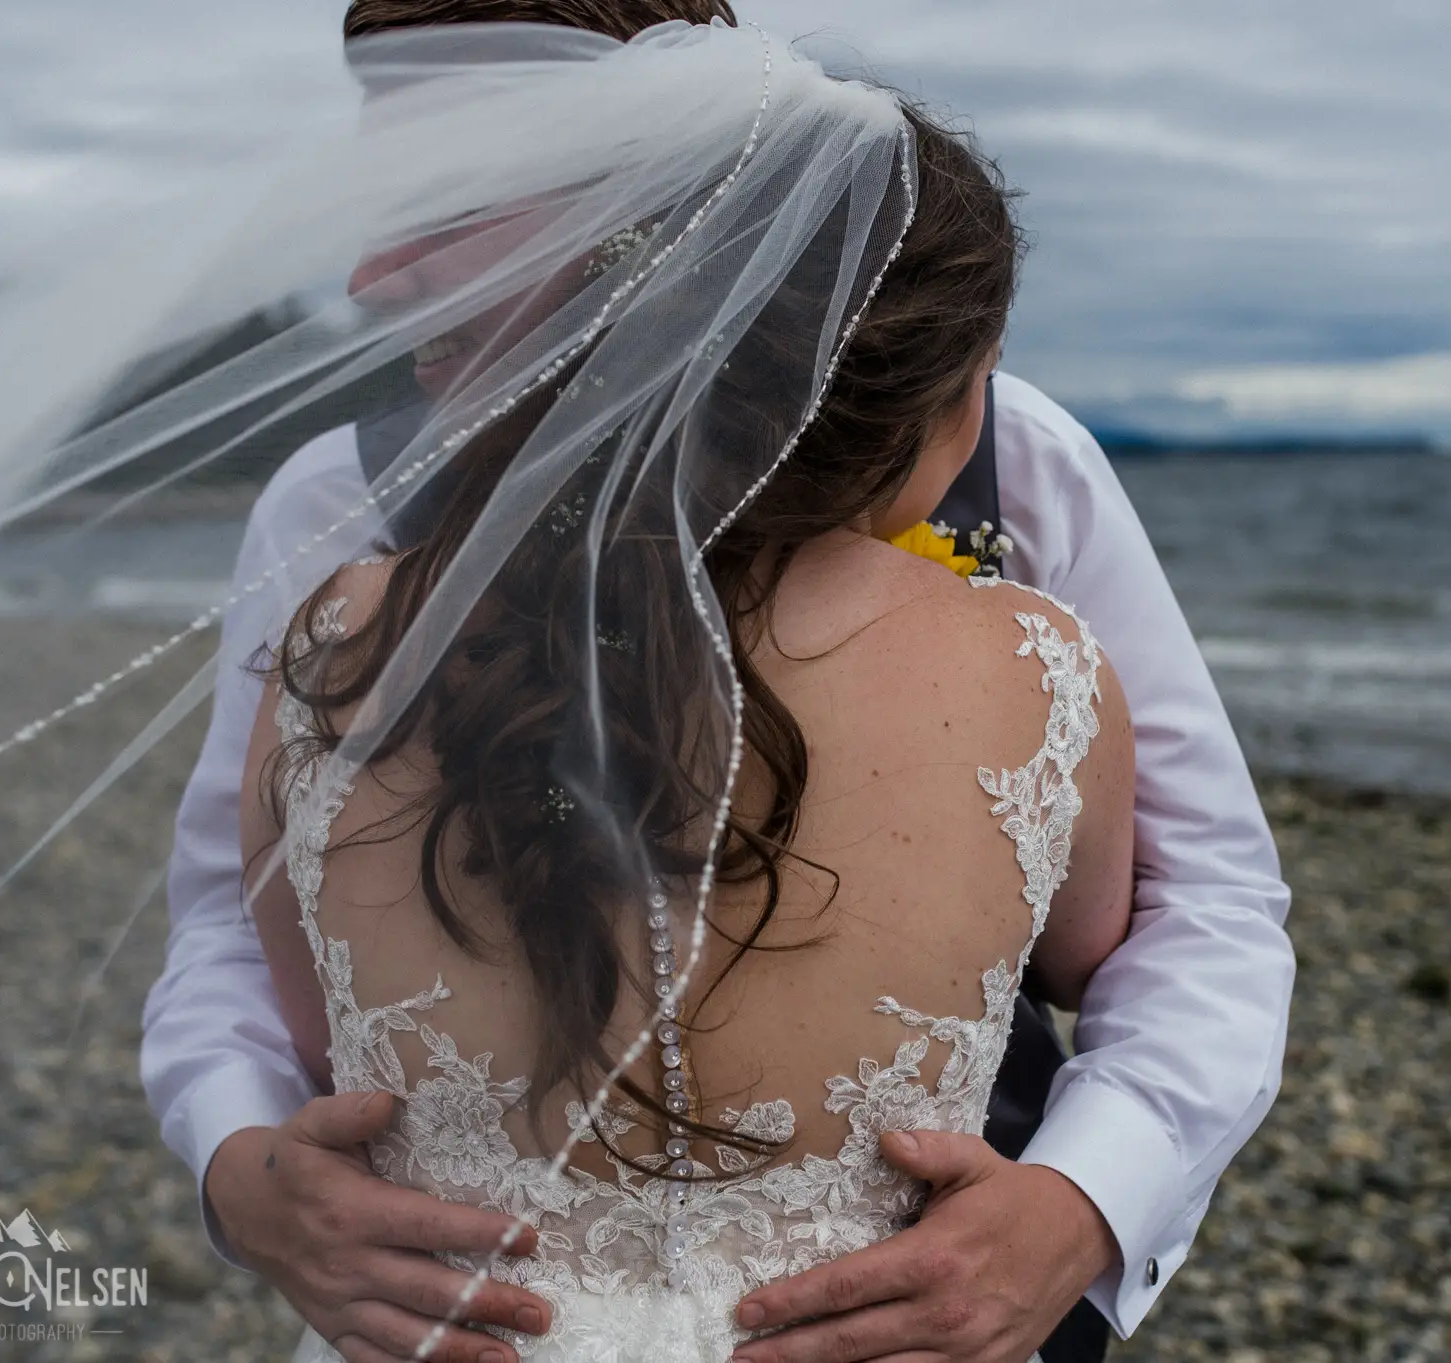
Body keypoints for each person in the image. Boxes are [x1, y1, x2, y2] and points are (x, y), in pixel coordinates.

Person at [141, 7, 1296, 1363]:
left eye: (454, 197)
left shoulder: (1018, 452)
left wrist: (1088, 1196)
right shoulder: (336, 501)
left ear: (669, 204)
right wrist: (238, 1157)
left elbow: (1204, 893)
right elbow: (232, 902)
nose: (379, 270)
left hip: (936, 1296)